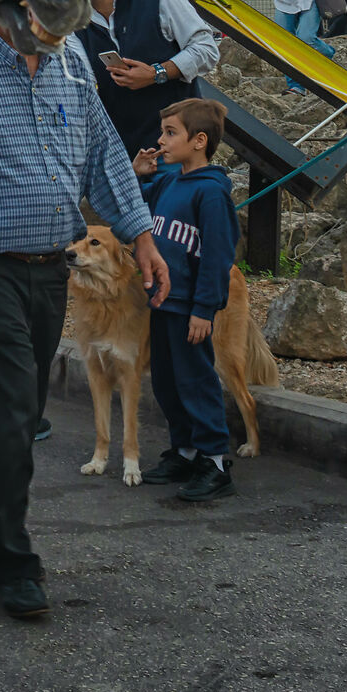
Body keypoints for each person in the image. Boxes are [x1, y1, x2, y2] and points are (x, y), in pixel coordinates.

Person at [0, 20, 171, 619]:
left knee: (7, 405)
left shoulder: (72, 65)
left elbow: (105, 158)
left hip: (48, 270)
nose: (56, 22)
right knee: (15, 402)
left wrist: (142, 237)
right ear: (4, 2)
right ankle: (10, 558)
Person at [130, 98, 241, 502]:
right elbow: (137, 210)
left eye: (170, 133)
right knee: (166, 381)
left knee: (195, 381)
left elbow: (217, 256)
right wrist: (137, 175)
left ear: (199, 141)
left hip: (189, 307)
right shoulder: (168, 182)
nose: (160, 140)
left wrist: (204, 309)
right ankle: (185, 450)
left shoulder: (211, 193)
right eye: (162, 132)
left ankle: (214, 461)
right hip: (162, 302)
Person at [61, 0, 222, 157]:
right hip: (124, 156)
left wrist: (157, 73)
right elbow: (82, 85)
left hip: (177, 152)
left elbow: (206, 49)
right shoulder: (74, 24)